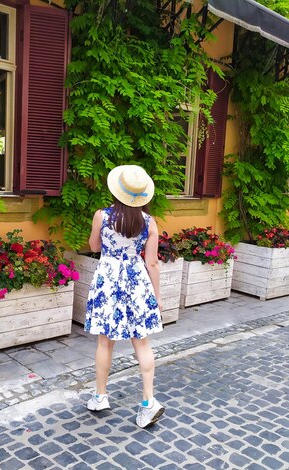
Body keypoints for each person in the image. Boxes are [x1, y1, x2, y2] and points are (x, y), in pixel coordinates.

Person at [84, 164, 165, 428]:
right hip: (137, 280)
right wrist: (157, 296)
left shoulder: (102, 216)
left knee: (105, 342)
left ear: (117, 191)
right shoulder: (150, 222)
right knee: (142, 343)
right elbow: (152, 263)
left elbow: (94, 246)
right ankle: (148, 402)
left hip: (108, 280)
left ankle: (100, 396)